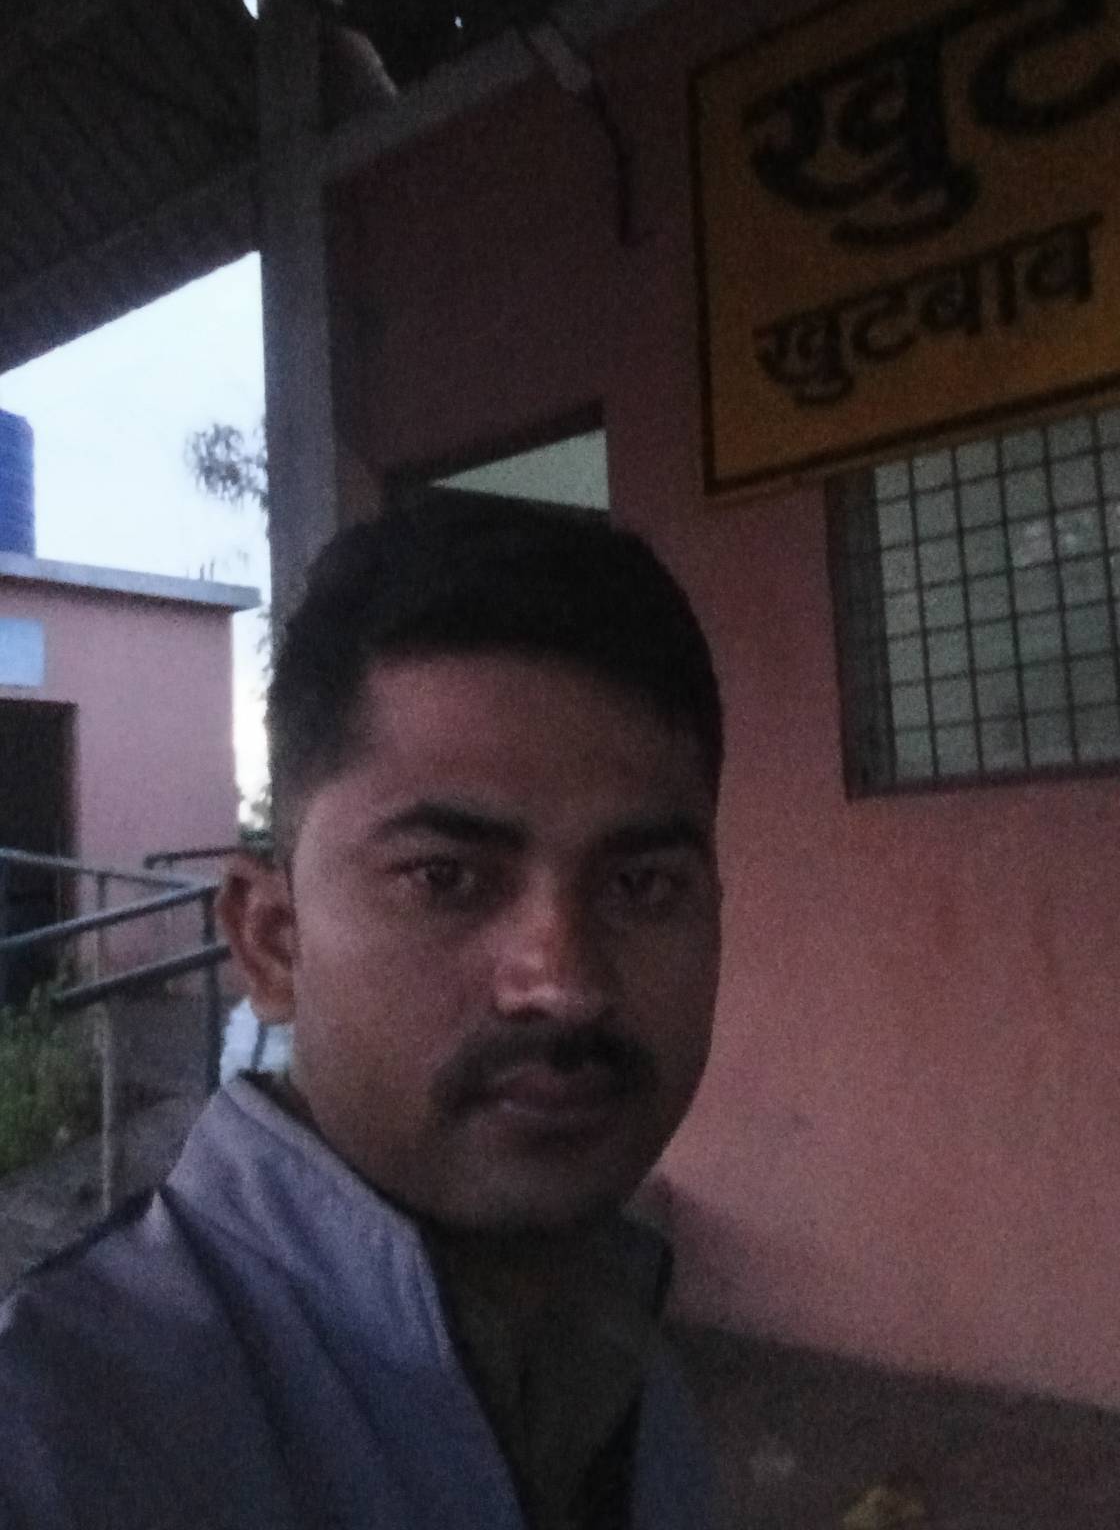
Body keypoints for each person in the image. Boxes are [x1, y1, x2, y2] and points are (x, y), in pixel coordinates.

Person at [0, 492, 725, 1530]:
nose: (563, 983)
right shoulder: (62, 1433)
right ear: (271, 940)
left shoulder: (636, 1378)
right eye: (445, 878)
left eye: (642, 885)